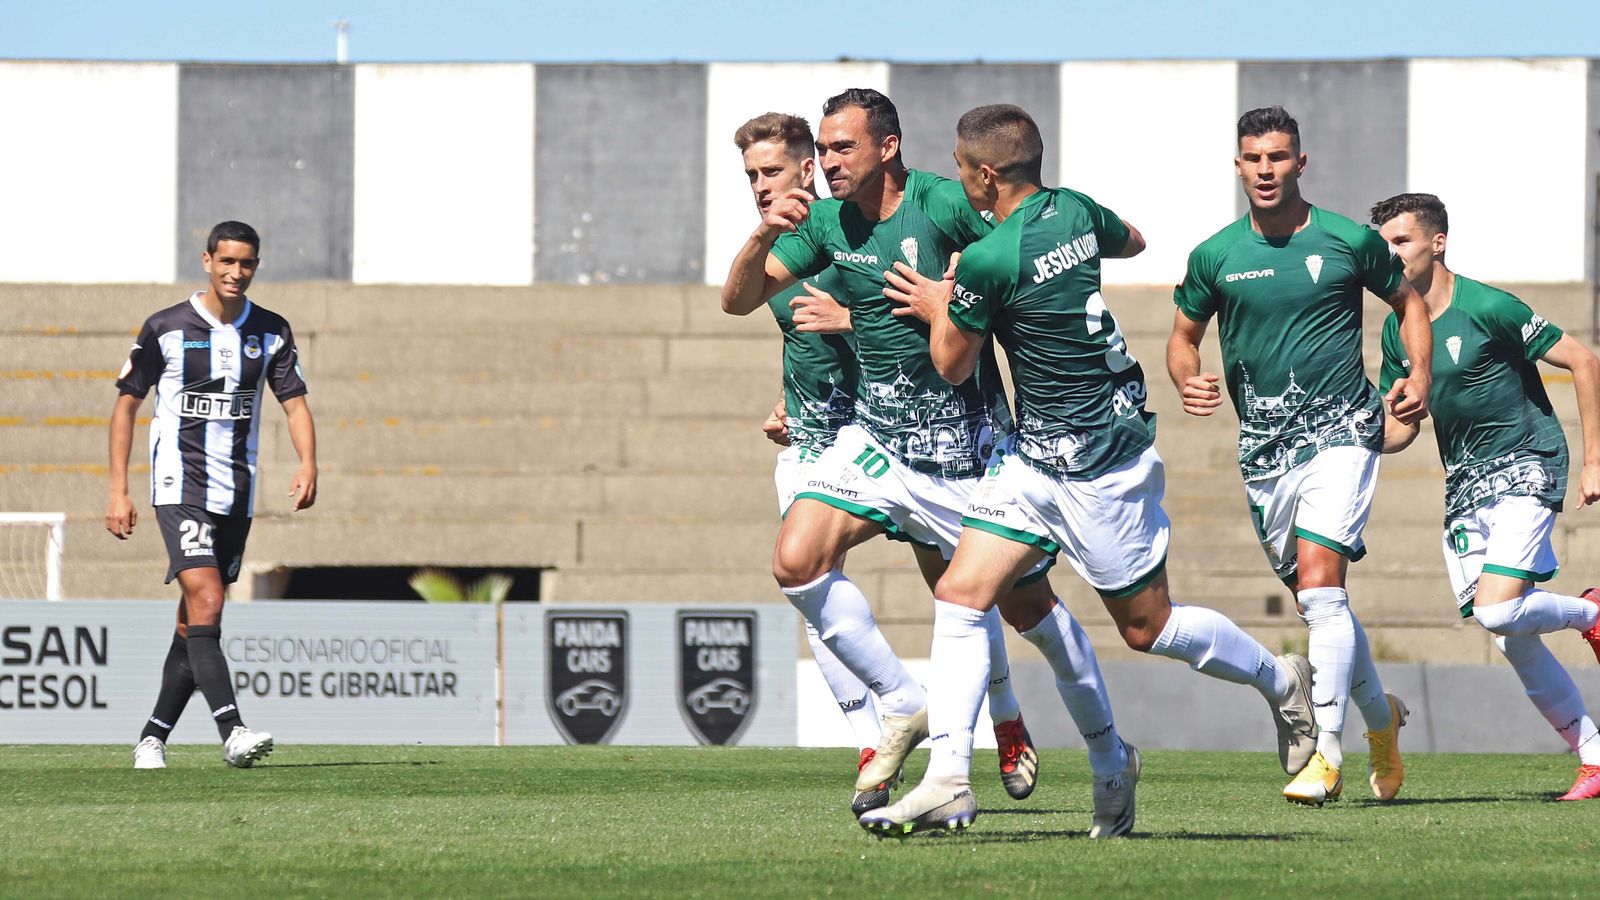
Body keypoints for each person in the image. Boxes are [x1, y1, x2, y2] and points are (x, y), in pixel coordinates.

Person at [859, 104, 1317, 837]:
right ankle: (949, 778)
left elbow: (950, 364)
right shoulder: (1071, 210)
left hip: (1101, 463)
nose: (955, 176)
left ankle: (1278, 678)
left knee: (1148, 628)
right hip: (1032, 461)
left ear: (983, 175)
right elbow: (1131, 240)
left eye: (958, 164)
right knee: (961, 592)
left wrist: (944, 301)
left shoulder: (987, 260)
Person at [722, 88, 1117, 820]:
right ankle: (906, 707)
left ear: (888, 147)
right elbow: (740, 300)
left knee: (1022, 609)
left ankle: (1103, 749)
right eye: (826, 151)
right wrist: (759, 237)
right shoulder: (823, 221)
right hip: (878, 445)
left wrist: (956, 293)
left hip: (972, 452)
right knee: (796, 560)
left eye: (841, 149)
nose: (828, 163)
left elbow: (1023, 244)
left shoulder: (941, 204)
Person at [1167, 106, 1431, 805]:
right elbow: (1182, 335)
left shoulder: (1347, 240)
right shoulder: (1215, 254)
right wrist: (1186, 375)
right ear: (1238, 164)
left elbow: (1409, 305)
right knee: (1322, 606)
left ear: (1300, 163)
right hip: (1264, 452)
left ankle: (1330, 753)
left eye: (1278, 157)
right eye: (1253, 157)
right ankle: (1384, 721)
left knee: (1319, 591)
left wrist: (1418, 375)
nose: (1265, 169)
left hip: (1343, 429)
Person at [1372, 192, 1600, 801]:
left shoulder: (1488, 306)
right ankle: (1594, 758)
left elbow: (1583, 359)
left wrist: (1594, 461)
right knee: (1509, 638)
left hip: (1529, 463)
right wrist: (1368, 430)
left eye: (1401, 241)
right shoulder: (1399, 331)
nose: (1389, 254)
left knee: (1498, 610)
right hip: (1467, 485)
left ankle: (1592, 613)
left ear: (1437, 242)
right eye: (1383, 243)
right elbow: (1401, 430)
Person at [107, 220, 318, 770]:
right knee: (208, 599)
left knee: (194, 621)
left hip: (237, 490)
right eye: (226, 262)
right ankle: (233, 730)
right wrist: (117, 489)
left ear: (256, 266)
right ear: (207, 261)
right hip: (180, 483)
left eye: (246, 263)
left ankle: (152, 737)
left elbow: (294, 402)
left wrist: (309, 463)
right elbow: (126, 404)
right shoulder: (166, 327)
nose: (236, 272)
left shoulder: (271, 330)